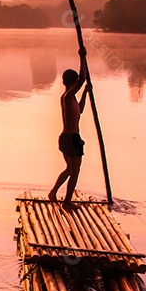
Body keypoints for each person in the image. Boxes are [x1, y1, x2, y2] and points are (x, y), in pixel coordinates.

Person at [48, 48, 91, 209]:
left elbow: (80, 110)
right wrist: (83, 57)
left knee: (69, 169)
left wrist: (85, 93)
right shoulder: (66, 96)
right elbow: (82, 79)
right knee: (75, 170)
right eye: (77, 82)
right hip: (70, 139)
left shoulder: (71, 99)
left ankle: (53, 193)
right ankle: (67, 202)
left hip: (69, 139)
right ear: (72, 83)